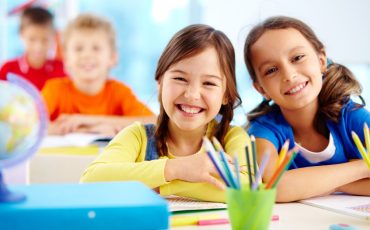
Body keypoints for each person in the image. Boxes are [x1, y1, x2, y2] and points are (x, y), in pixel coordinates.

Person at [80, 24, 251, 202]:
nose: (191, 94)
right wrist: (175, 168)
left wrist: (164, 184)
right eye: (180, 78)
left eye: (208, 83)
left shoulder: (232, 138)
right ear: (160, 82)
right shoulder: (138, 137)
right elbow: (91, 180)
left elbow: (248, 189)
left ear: (226, 95)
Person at [244, 16, 370, 202]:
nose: (289, 75)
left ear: (321, 61)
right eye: (271, 70)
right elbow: (274, 188)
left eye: (297, 58)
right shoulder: (263, 131)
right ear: (262, 89)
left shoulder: (352, 117)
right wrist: (362, 168)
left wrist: (314, 183)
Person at [42, 14, 155, 136]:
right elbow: (28, 123)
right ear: (66, 58)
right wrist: (89, 130)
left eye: (96, 48)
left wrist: (86, 120)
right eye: (79, 49)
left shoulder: (119, 93)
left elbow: (155, 122)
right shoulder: (54, 90)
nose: (87, 55)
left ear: (112, 57)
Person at [0, 6, 66, 90]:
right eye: (32, 39)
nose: (38, 47)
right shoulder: (8, 70)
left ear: (54, 36)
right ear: (21, 34)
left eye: (45, 40)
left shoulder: (63, 69)